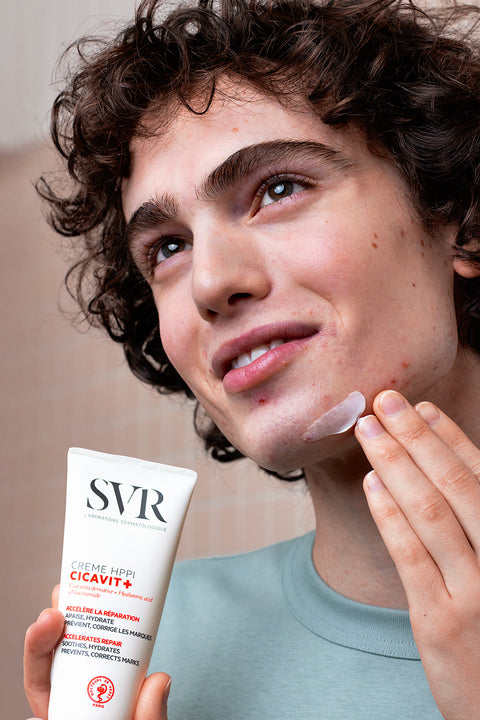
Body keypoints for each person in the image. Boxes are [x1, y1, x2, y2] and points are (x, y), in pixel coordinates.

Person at [23, 0, 480, 717]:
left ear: (461, 219)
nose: (209, 283)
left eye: (278, 189)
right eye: (167, 248)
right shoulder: (153, 652)